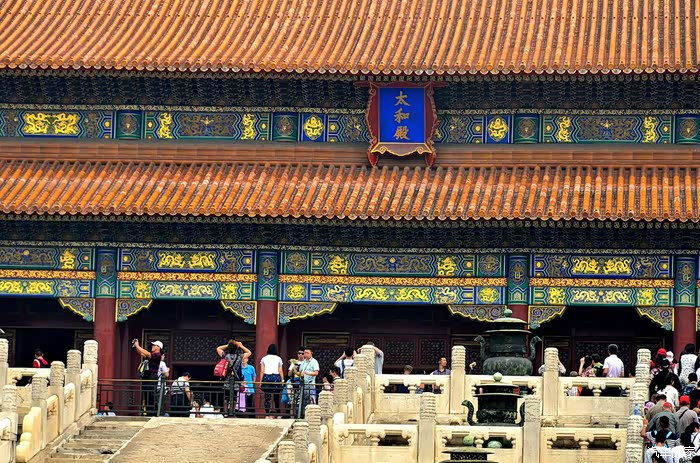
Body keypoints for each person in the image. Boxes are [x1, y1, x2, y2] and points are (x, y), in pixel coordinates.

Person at [216, 337, 251, 416]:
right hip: (236, 378)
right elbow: (249, 352)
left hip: (227, 379)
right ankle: (232, 412)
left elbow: (218, 348)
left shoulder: (225, 356)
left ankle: (225, 413)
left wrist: (228, 345)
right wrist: (241, 346)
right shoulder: (239, 357)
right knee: (234, 397)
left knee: (226, 397)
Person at [133, 339, 163, 415]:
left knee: (151, 395)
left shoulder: (158, 355)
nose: (152, 346)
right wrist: (136, 346)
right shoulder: (151, 355)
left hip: (152, 377)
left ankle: (152, 412)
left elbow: (147, 353)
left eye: (154, 345)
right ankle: (148, 411)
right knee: (146, 394)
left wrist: (137, 346)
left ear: (158, 347)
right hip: (147, 376)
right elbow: (142, 353)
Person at [259, 344, 285, 418]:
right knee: (276, 397)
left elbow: (262, 371)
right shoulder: (278, 358)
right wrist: (282, 380)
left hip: (267, 377)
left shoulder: (264, 358)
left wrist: (260, 382)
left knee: (267, 397)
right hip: (276, 378)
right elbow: (280, 370)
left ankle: (267, 414)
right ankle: (278, 414)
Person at [298, 347, 319, 416]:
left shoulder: (314, 361)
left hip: (310, 384)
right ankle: (304, 415)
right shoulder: (303, 362)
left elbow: (316, 373)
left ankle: (312, 415)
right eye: (305, 353)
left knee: (311, 400)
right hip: (303, 383)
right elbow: (300, 373)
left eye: (307, 353)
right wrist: (294, 371)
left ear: (311, 353)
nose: (306, 354)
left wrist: (308, 373)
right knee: (303, 400)